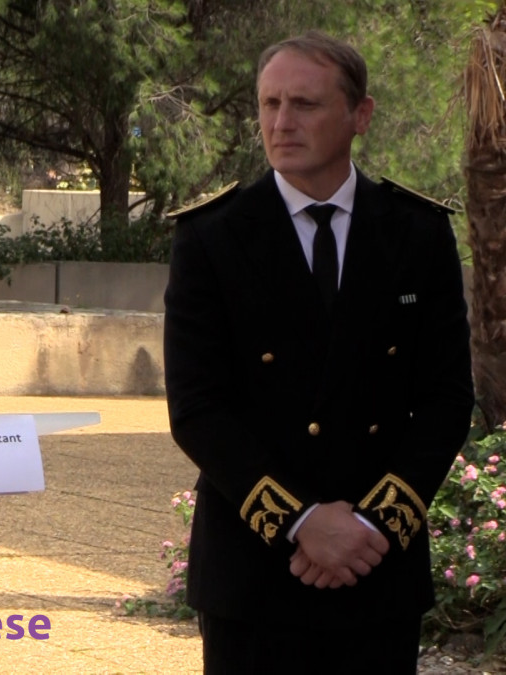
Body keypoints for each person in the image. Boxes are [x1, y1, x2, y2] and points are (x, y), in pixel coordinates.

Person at [163, 31, 473, 674]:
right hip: (254, 570)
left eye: (304, 104)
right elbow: (197, 409)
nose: (281, 123)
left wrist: (370, 527)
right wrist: (300, 523)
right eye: (269, 103)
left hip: (375, 563)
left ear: (360, 115)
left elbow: (445, 399)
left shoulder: (416, 233)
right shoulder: (213, 238)